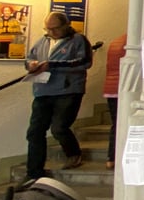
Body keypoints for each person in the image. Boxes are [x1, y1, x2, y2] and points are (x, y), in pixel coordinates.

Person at [24, 12, 93, 179]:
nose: (51, 32)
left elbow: (85, 62)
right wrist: (30, 65)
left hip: (68, 90)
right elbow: (29, 58)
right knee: (34, 131)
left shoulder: (78, 40)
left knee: (59, 127)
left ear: (66, 25)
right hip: (43, 90)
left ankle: (73, 153)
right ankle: (34, 172)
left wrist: (53, 64)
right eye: (48, 29)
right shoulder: (43, 41)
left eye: (55, 29)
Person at [103, 33, 127, 170]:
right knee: (122, 124)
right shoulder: (132, 42)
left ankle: (111, 158)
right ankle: (117, 157)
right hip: (123, 88)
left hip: (111, 88)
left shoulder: (116, 41)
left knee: (116, 124)